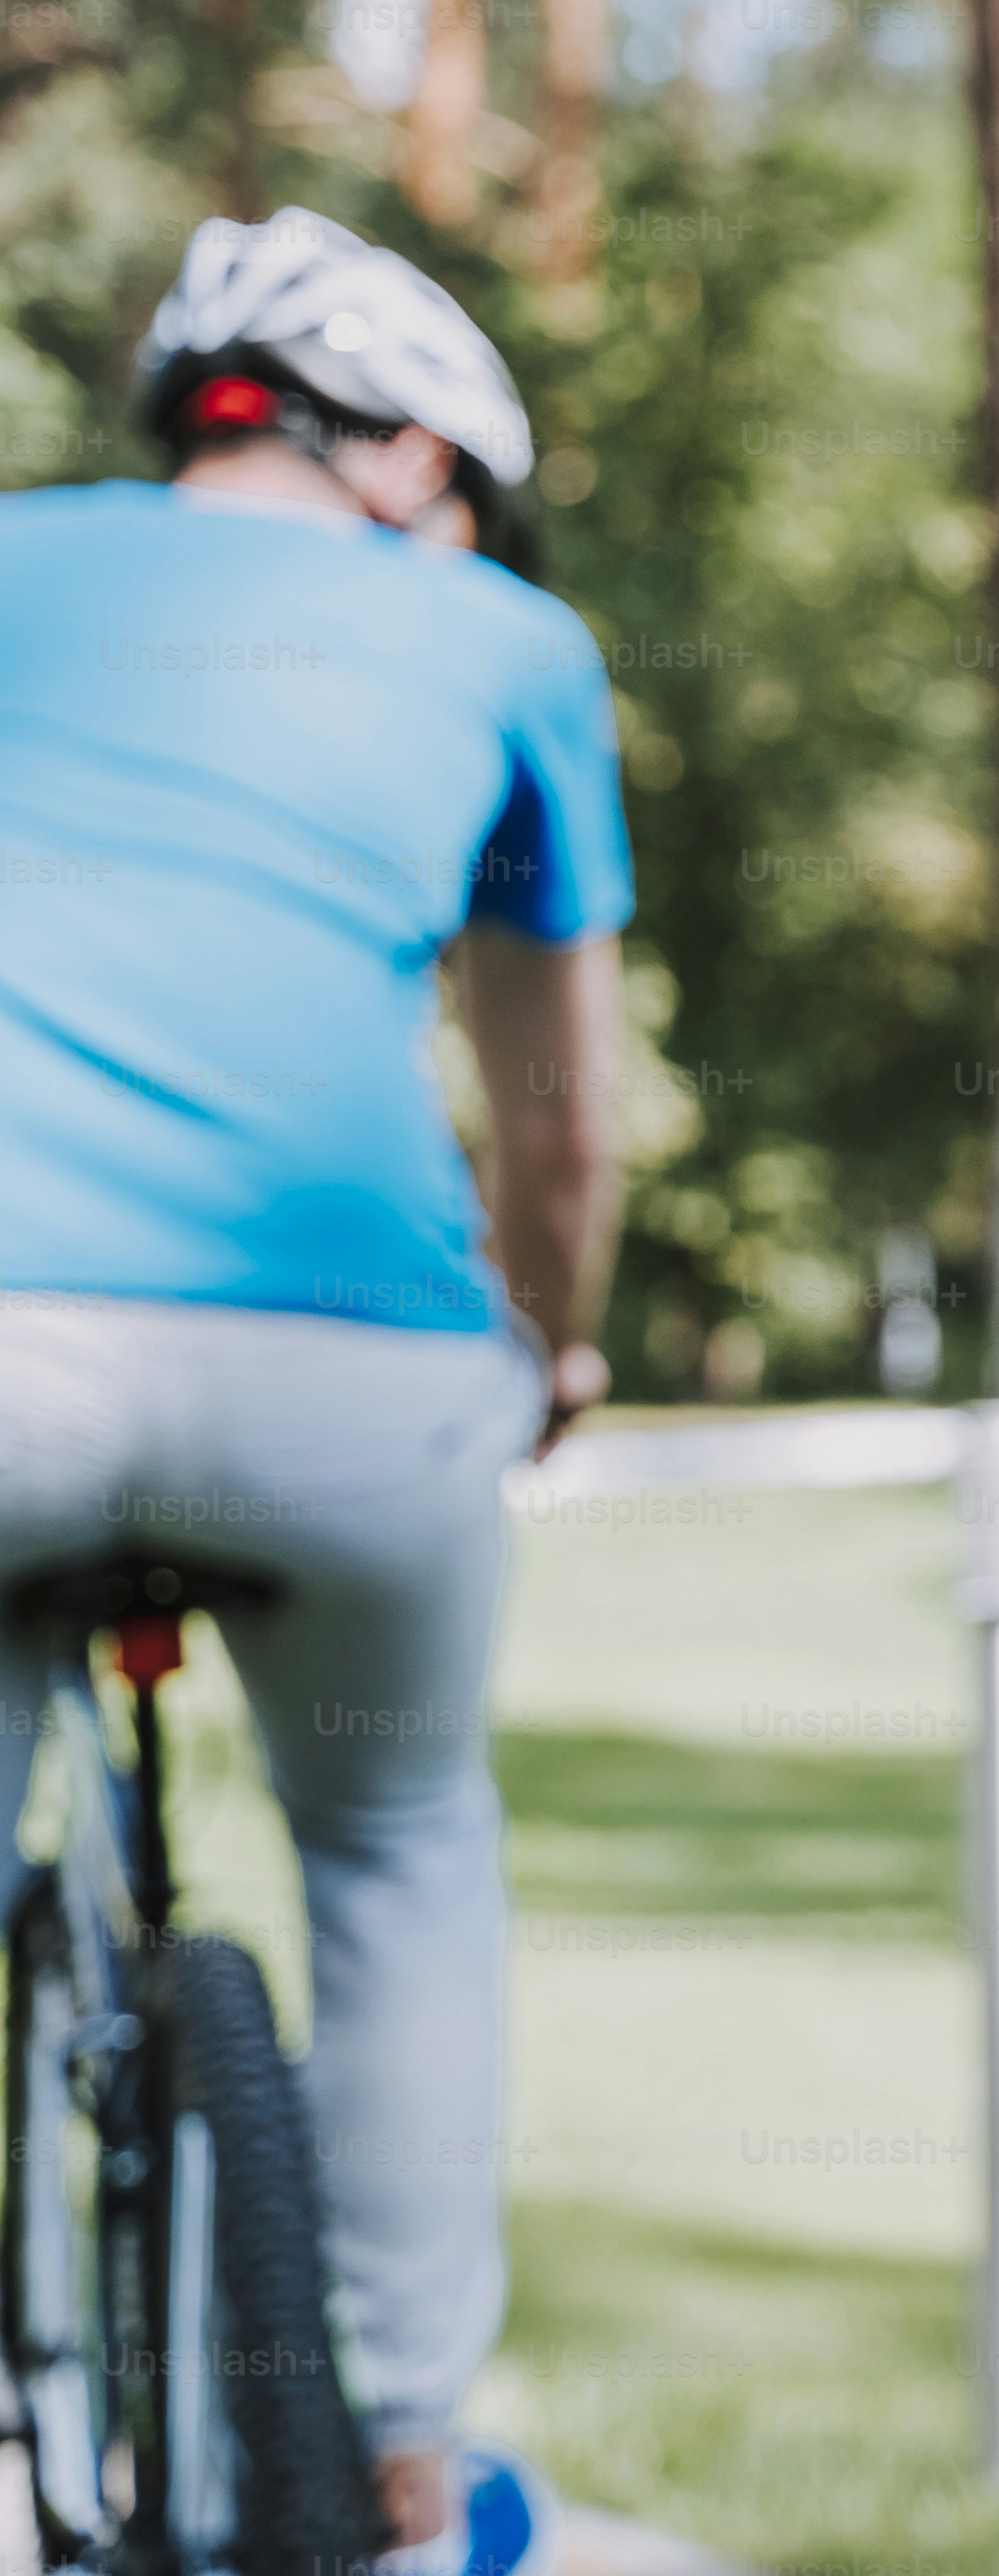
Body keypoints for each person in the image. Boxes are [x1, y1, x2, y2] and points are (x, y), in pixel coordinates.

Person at [0, 207, 625, 2562]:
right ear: (403, 458)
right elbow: (560, 1118)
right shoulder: (512, 647)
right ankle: (405, 2455)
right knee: (396, 1842)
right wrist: (553, 1341)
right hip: (356, 1371)